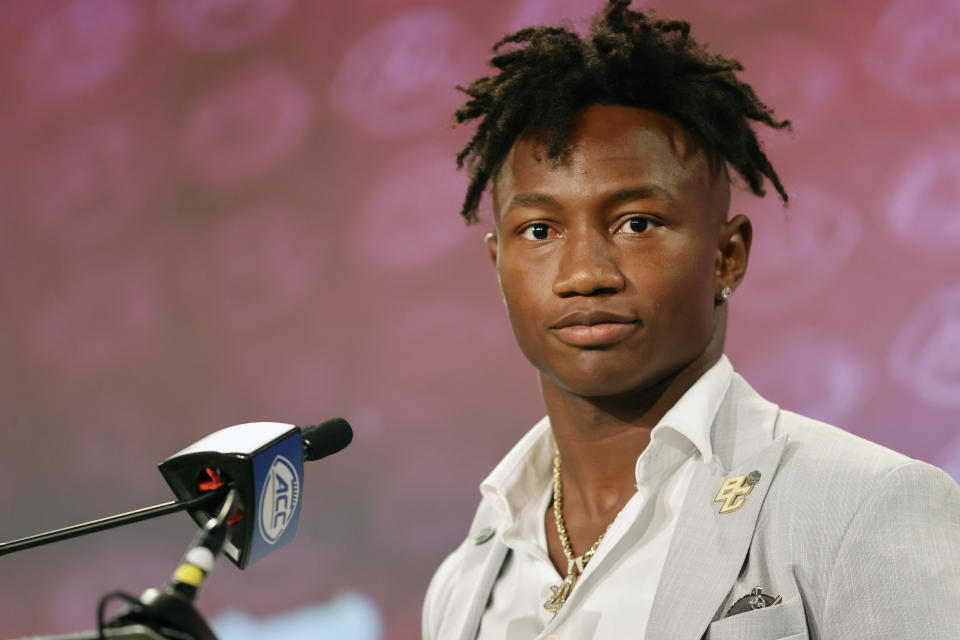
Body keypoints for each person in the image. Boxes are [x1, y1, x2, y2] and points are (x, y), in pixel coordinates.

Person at [422, 1, 960, 639]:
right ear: (498, 265)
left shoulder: (864, 505)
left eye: (636, 224)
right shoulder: (467, 578)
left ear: (727, 257)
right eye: (540, 230)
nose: (584, 272)